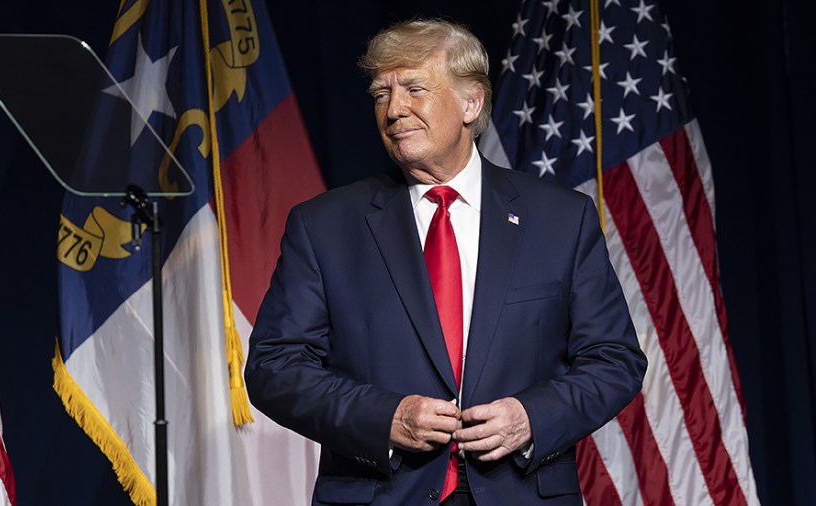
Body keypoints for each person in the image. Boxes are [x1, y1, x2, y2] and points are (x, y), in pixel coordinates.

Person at [244, 19, 647, 506]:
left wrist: (530, 417)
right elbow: (274, 368)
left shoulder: (561, 219)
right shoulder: (324, 226)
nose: (394, 110)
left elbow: (615, 359)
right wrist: (384, 417)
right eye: (380, 94)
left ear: (471, 103)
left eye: (414, 89)